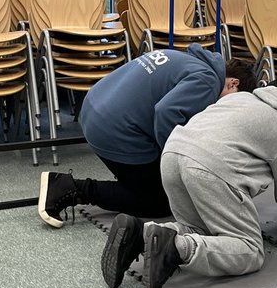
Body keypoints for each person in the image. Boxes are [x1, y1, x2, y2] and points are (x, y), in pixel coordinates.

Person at [100, 78, 277, 288]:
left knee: (198, 229)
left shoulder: (241, 97)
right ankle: (175, 248)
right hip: (210, 167)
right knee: (250, 251)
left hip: (173, 152)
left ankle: (139, 234)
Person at [37, 44, 257, 226]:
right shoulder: (209, 80)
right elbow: (166, 113)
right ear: (233, 83)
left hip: (93, 108)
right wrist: (175, 160)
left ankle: (129, 179)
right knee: (159, 201)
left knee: (155, 179)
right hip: (114, 130)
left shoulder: (183, 58)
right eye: (235, 100)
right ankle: (70, 187)